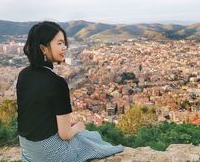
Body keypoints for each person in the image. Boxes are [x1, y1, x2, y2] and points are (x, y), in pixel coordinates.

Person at [17, 21, 123, 162]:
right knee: (90, 136)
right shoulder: (57, 82)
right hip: (49, 154)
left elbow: (36, 116)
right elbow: (65, 134)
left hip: (27, 149)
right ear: (43, 48)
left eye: (64, 43)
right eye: (59, 43)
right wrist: (79, 127)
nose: (64, 47)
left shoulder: (24, 74)